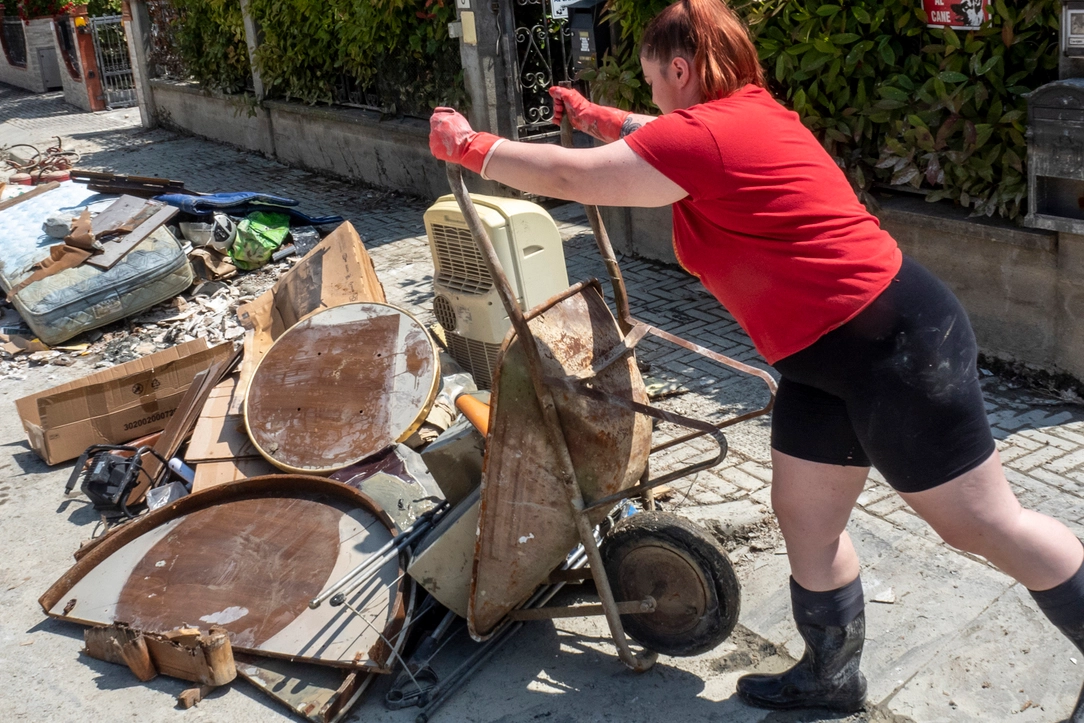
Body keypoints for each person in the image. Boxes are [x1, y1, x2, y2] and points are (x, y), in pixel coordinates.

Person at [429, 0, 1084, 717]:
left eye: (653, 80)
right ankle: (832, 676)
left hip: (893, 346)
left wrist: (473, 148)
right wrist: (596, 117)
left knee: (981, 522)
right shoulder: (743, 115)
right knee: (805, 513)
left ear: (680, 69)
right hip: (826, 356)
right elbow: (658, 137)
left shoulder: (707, 136)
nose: (651, 98)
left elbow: (580, 177)